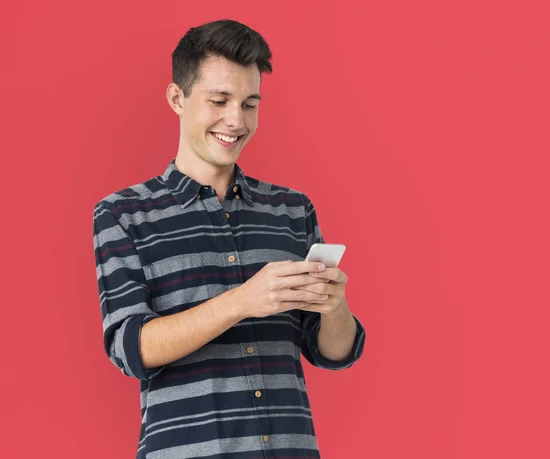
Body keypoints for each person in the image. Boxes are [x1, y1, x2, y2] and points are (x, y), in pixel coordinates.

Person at [92, 19, 366, 459]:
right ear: (177, 98)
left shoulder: (292, 210)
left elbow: (331, 351)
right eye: (219, 100)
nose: (236, 121)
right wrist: (243, 300)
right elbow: (132, 349)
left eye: (250, 104)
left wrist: (336, 306)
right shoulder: (123, 215)